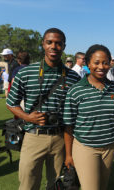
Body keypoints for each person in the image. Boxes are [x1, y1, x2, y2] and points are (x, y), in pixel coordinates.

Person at [6, 28, 80, 190]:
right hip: (34, 136)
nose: (54, 46)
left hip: (61, 138)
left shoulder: (73, 77)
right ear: (43, 44)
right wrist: (27, 117)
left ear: (64, 46)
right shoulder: (26, 73)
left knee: (56, 185)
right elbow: (11, 103)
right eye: (49, 42)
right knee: (28, 184)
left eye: (58, 43)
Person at [63, 44, 114, 190]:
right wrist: (68, 155)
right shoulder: (76, 90)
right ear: (88, 63)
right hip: (85, 147)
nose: (101, 66)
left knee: (102, 186)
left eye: (105, 63)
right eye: (96, 62)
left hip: (109, 147)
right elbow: (68, 125)